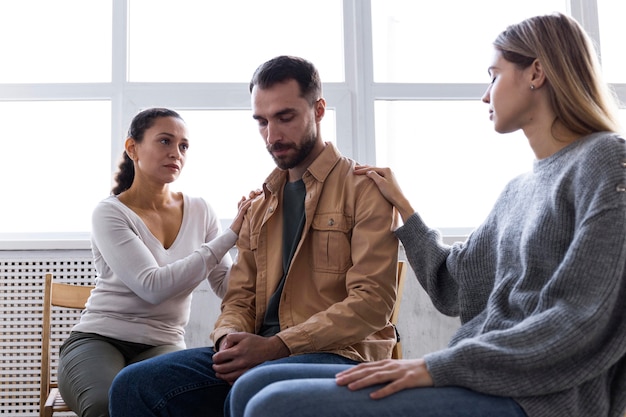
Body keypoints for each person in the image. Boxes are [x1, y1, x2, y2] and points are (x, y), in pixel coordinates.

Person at [225, 13, 626, 417]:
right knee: (250, 389)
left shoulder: (607, 160)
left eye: (494, 75)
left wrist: (435, 367)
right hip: (480, 377)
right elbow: (454, 286)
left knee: (272, 405)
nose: (486, 96)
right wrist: (407, 210)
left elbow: (582, 320)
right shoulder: (518, 189)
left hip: (541, 398)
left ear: (536, 72)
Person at [108, 56, 400, 417]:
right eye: (261, 122)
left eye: (285, 117)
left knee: (251, 387)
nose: (272, 135)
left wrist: (277, 345)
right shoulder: (260, 206)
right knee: (133, 385)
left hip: (341, 354)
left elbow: (372, 303)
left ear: (319, 109)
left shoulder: (365, 189)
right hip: (261, 353)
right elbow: (239, 297)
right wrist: (229, 338)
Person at [57, 107, 255, 417]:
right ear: (132, 148)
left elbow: (227, 286)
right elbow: (152, 286)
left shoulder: (201, 210)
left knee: (183, 400)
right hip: (100, 338)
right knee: (106, 404)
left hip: (163, 341)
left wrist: (254, 244)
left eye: (183, 146)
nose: (176, 153)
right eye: (165, 141)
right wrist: (230, 236)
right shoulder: (110, 213)